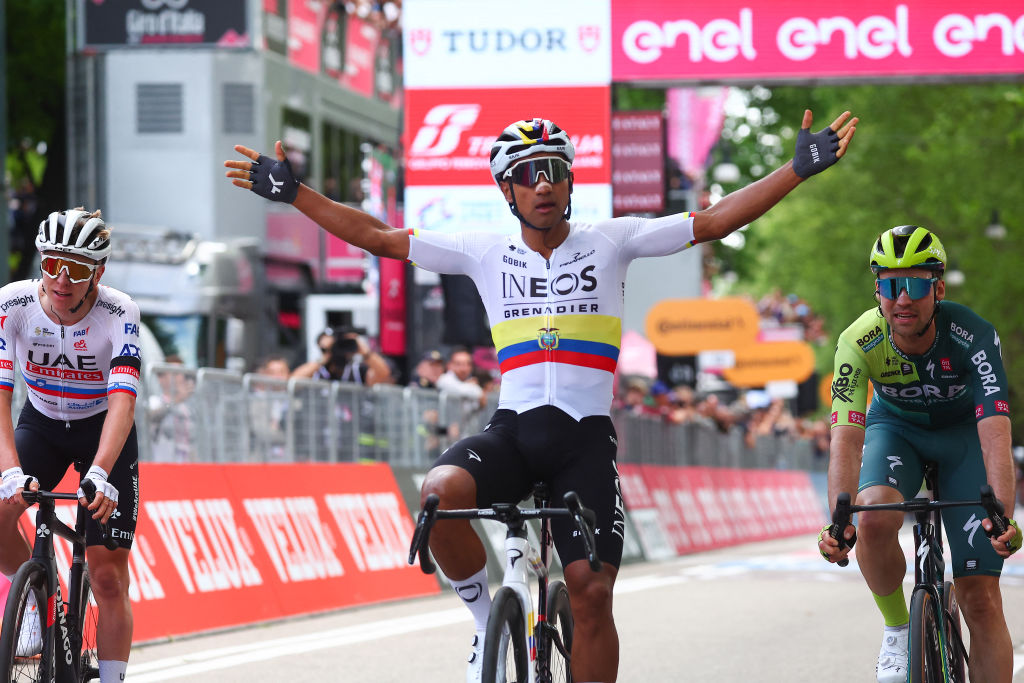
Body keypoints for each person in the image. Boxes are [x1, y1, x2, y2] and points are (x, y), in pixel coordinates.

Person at [225, 108, 857, 682]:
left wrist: (795, 170)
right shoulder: (481, 250)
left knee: (591, 594)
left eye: (554, 169)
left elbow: (714, 221)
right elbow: (377, 236)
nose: (543, 183)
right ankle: (481, 622)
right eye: (527, 174)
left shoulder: (613, 241)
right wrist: (294, 193)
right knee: (439, 495)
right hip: (514, 430)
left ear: (570, 180)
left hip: (583, 439)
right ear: (508, 190)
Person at [818, 225, 1020, 683]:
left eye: (915, 284)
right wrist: (838, 520)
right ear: (878, 291)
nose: (902, 299)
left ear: (938, 289)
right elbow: (847, 438)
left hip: (963, 434)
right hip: (897, 431)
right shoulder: (858, 342)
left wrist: (1002, 516)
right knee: (870, 518)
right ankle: (897, 629)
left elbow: (994, 431)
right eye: (891, 285)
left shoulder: (973, 334)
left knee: (980, 600)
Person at [0, 208, 142, 683]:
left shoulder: (119, 312)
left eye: (78, 269)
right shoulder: (11, 304)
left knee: (106, 575)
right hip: (40, 422)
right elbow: (0, 397)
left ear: (97, 273)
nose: (62, 280)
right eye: (52, 264)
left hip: (102, 430)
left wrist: (101, 471)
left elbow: (123, 404)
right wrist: (9, 472)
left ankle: (111, 677)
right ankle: (38, 599)